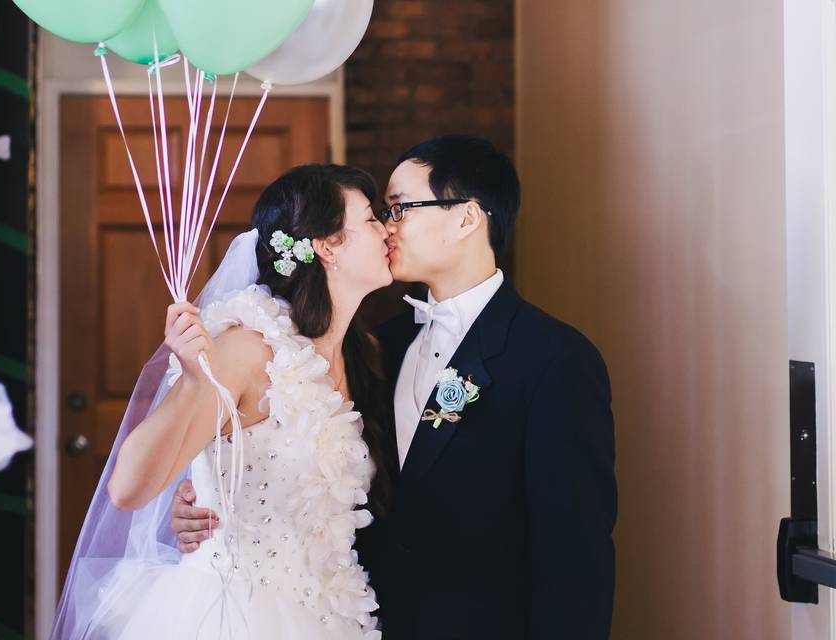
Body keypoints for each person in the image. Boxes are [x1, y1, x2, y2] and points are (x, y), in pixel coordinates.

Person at [172, 135, 618, 639]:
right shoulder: (374, 347)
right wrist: (211, 499)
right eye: (385, 211)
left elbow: (576, 557)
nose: (387, 226)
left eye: (400, 207)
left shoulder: (554, 359)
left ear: (467, 218)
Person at [51, 164, 395, 639]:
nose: (387, 229)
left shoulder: (365, 355)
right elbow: (127, 489)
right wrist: (195, 382)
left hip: (327, 617)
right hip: (233, 614)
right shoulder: (247, 350)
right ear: (327, 245)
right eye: (372, 218)